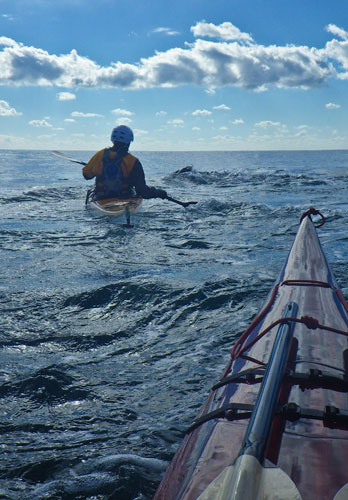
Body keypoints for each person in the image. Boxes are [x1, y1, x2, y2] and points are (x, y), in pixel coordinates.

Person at [82, 125, 168, 200]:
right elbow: (142, 191)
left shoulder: (100, 155)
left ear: (113, 140)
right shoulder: (133, 161)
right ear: (128, 142)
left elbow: (86, 175)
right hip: (126, 198)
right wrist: (158, 193)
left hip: (101, 197)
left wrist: (97, 169)